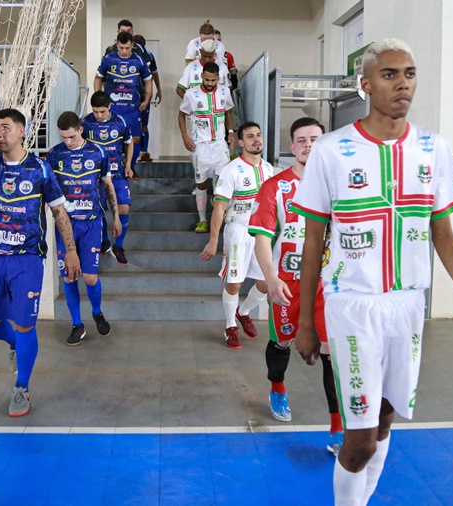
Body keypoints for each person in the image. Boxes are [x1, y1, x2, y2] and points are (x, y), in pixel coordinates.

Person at [291, 39, 453, 505]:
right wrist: (304, 322)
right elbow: (313, 241)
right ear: (365, 84)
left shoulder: (433, 148)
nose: (403, 84)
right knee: (359, 441)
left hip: (407, 305)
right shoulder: (332, 150)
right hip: (352, 306)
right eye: (390, 74)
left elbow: (443, 233)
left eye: (410, 74)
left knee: (383, 422)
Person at [0, 108, 80, 417]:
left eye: (5, 127)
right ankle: (14, 345)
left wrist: (71, 250)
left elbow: (59, 212)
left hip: (27, 259)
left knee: (25, 324)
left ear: (22, 131)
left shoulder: (40, 168)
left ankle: (21, 387)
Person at [249, 117, 344, 454]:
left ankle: (338, 427)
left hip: (328, 286)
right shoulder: (275, 187)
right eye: (301, 140)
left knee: (331, 354)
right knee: (282, 343)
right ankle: (277, 386)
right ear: (292, 147)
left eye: (315, 139)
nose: (308, 145)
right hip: (287, 284)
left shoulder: (341, 186)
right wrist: (271, 278)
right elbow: (261, 239)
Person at [46, 112, 122, 346]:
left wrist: (116, 217)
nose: (68, 141)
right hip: (65, 224)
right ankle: (77, 324)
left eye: (71, 136)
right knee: (69, 276)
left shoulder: (98, 152)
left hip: (91, 222)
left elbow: (107, 185)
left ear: (80, 129)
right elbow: (47, 189)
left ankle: (97, 312)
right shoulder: (54, 154)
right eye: (63, 137)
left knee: (89, 277)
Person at [200, 121, 271, 349]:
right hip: (238, 231)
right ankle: (230, 326)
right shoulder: (231, 170)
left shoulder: (269, 169)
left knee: (266, 283)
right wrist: (213, 240)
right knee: (234, 283)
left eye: (258, 135)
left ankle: (244, 311)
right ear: (240, 142)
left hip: (262, 233)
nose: (256, 139)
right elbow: (219, 207)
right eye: (250, 136)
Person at [178, 61, 236, 233]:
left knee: (223, 180)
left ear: (218, 77)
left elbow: (228, 112)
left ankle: (218, 207)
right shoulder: (191, 94)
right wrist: (185, 136)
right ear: (202, 76)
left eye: (213, 80)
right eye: (207, 79)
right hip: (200, 147)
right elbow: (181, 115)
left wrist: (230, 131)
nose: (209, 83)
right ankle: (202, 220)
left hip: (220, 145)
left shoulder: (224, 91)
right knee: (202, 184)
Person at [81, 91, 133, 264]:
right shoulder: (85, 123)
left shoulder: (120, 122)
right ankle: (104, 242)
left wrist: (128, 165)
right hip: (94, 176)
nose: (99, 115)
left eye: (102, 111)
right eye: (95, 111)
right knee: (99, 209)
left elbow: (129, 143)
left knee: (123, 208)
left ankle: (119, 246)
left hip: (116, 173)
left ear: (109, 107)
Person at [96, 31, 152, 180]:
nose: (124, 51)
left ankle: (130, 167)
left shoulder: (139, 60)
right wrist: (99, 98)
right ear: (117, 45)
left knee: (136, 138)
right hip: (113, 107)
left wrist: (147, 99)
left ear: (132, 45)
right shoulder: (109, 59)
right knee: (111, 138)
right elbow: (98, 78)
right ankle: (110, 169)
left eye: (127, 48)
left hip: (132, 107)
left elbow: (148, 80)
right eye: (121, 48)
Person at [132, 34, 162, 163]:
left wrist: (158, 89)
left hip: (144, 95)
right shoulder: (129, 58)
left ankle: (144, 152)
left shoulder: (148, 56)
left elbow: (154, 73)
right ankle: (136, 151)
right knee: (138, 124)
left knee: (143, 124)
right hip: (134, 96)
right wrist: (159, 89)